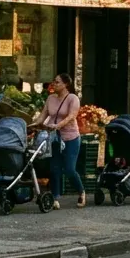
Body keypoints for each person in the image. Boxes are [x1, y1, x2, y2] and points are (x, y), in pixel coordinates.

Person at [37, 72, 84, 209]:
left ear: (65, 84)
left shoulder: (73, 98)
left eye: (57, 82)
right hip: (54, 138)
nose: (54, 84)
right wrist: (32, 126)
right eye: (54, 81)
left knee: (69, 169)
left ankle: (81, 191)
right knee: (54, 168)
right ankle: (55, 197)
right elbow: (42, 116)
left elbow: (71, 116)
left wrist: (58, 125)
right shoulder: (50, 98)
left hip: (70, 137)